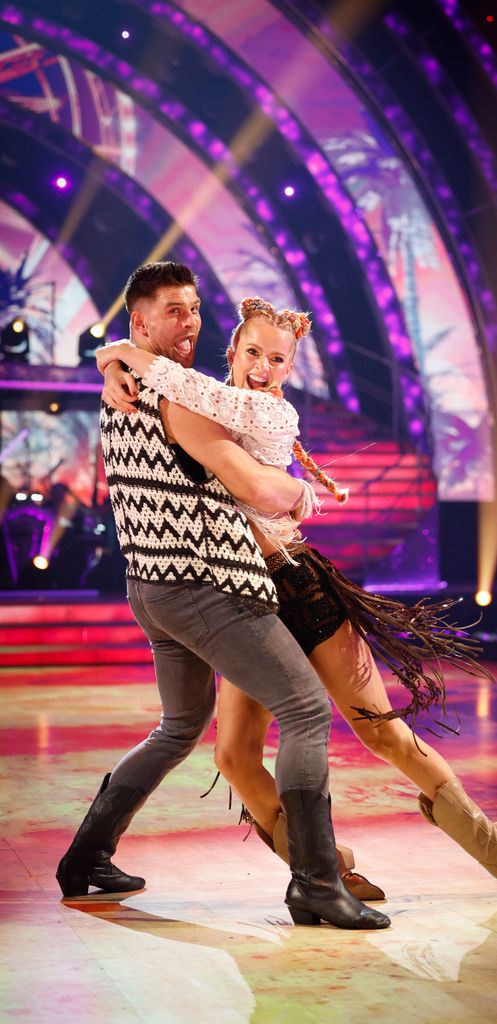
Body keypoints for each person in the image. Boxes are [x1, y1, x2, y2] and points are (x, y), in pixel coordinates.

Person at [100, 296, 497, 896]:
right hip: (239, 597)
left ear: (291, 368)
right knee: (232, 757)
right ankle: (319, 866)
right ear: (233, 351)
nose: (263, 367)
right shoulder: (200, 400)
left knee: (379, 731)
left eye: (278, 359)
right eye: (253, 352)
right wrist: (114, 361)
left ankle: (491, 846)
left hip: (297, 588)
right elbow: (177, 387)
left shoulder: (266, 414)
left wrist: (116, 353)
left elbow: (181, 383)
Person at [56, 263, 389, 931]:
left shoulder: (125, 383)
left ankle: (85, 859)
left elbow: (136, 366)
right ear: (141, 321)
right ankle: (316, 883)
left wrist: (112, 355)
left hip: (150, 585)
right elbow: (257, 487)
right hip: (201, 583)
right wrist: (298, 493)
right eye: (173, 311)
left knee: (180, 727)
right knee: (303, 710)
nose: (190, 323)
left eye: (195, 310)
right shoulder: (173, 397)